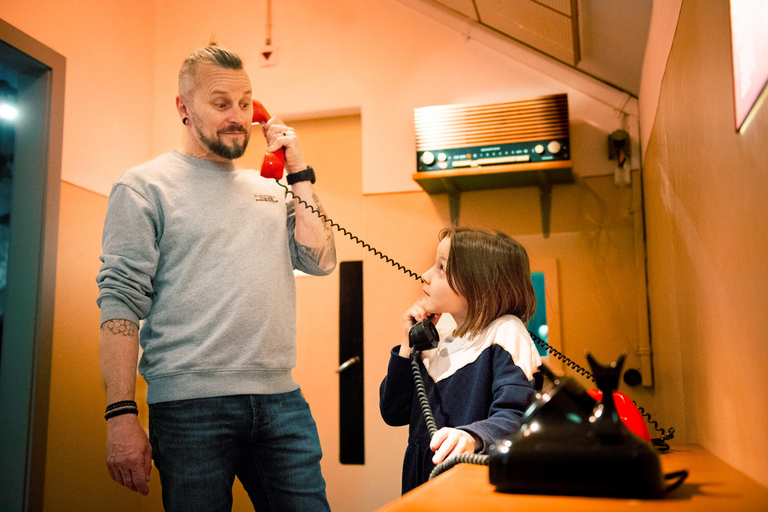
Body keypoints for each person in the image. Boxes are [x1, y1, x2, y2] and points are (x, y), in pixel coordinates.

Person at [96, 42, 336, 512]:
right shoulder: (143, 187)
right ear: (184, 108)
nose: (239, 116)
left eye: (246, 103)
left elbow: (319, 260)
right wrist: (121, 415)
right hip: (189, 411)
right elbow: (120, 302)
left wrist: (298, 171)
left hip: (281, 402)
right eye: (222, 103)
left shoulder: (269, 189)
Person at [379, 227, 542, 494]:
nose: (425, 276)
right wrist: (410, 343)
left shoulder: (505, 334)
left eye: (441, 268)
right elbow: (393, 411)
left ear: (478, 282)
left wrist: (472, 436)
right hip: (422, 477)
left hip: (470, 477)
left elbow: (516, 415)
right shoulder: (439, 333)